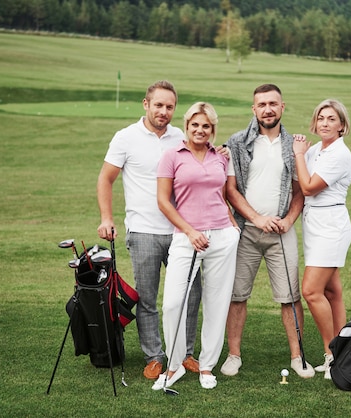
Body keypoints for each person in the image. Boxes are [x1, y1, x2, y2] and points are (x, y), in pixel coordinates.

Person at [96, 80, 202, 380]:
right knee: (147, 298)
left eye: (169, 107)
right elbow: (106, 179)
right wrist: (107, 218)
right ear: (146, 104)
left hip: (181, 231)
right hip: (143, 231)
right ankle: (155, 356)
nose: (164, 111)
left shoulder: (181, 136)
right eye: (158, 105)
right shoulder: (125, 138)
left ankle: (186, 353)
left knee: (192, 293)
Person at [220, 84, 314, 379]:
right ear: (254, 109)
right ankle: (233, 355)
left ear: (282, 107)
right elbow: (230, 191)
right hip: (246, 230)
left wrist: (288, 220)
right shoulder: (236, 143)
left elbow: (300, 191)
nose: (268, 109)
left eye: (273, 103)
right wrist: (257, 218)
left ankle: (298, 357)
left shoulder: (295, 146)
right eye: (262, 104)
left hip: (282, 232)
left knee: (290, 297)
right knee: (237, 295)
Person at [153, 102, 240, 390]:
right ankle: (174, 366)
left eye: (206, 126)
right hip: (186, 237)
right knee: (173, 303)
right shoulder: (171, 156)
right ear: (187, 126)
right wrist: (190, 232)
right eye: (195, 125)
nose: (200, 130)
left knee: (216, 303)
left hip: (222, 237)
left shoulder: (222, 157)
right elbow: (164, 201)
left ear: (212, 130)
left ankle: (206, 366)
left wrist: (232, 225)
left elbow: (228, 193)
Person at [291, 98, 351, 380]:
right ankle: (342, 353)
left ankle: (331, 355)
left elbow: (309, 187)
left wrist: (299, 155)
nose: (325, 123)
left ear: (342, 125)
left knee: (311, 291)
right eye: (321, 118)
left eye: (331, 119)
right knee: (331, 292)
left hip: (331, 226)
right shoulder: (317, 149)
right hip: (314, 225)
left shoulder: (339, 154)